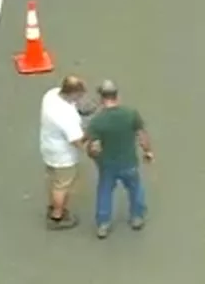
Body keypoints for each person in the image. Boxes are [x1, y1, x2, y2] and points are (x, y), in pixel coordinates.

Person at [85, 80, 152, 238]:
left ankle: (103, 223)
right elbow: (142, 135)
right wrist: (148, 151)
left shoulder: (97, 121)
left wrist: (92, 154)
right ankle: (137, 217)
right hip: (129, 161)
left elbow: (94, 147)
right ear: (117, 96)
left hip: (108, 164)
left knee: (105, 191)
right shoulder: (130, 114)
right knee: (135, 188)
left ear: (101, 98)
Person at [39, 75, 89, 229]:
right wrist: (90, 150)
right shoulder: (66, 116)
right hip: (63, 156)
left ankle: (53, 206)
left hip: (48, 146)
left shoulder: (51, 94)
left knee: (54, 181)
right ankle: (57, 216)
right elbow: (76, 140)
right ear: (72, 94)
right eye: (79, 95)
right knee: (62, 185)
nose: (80, 98)